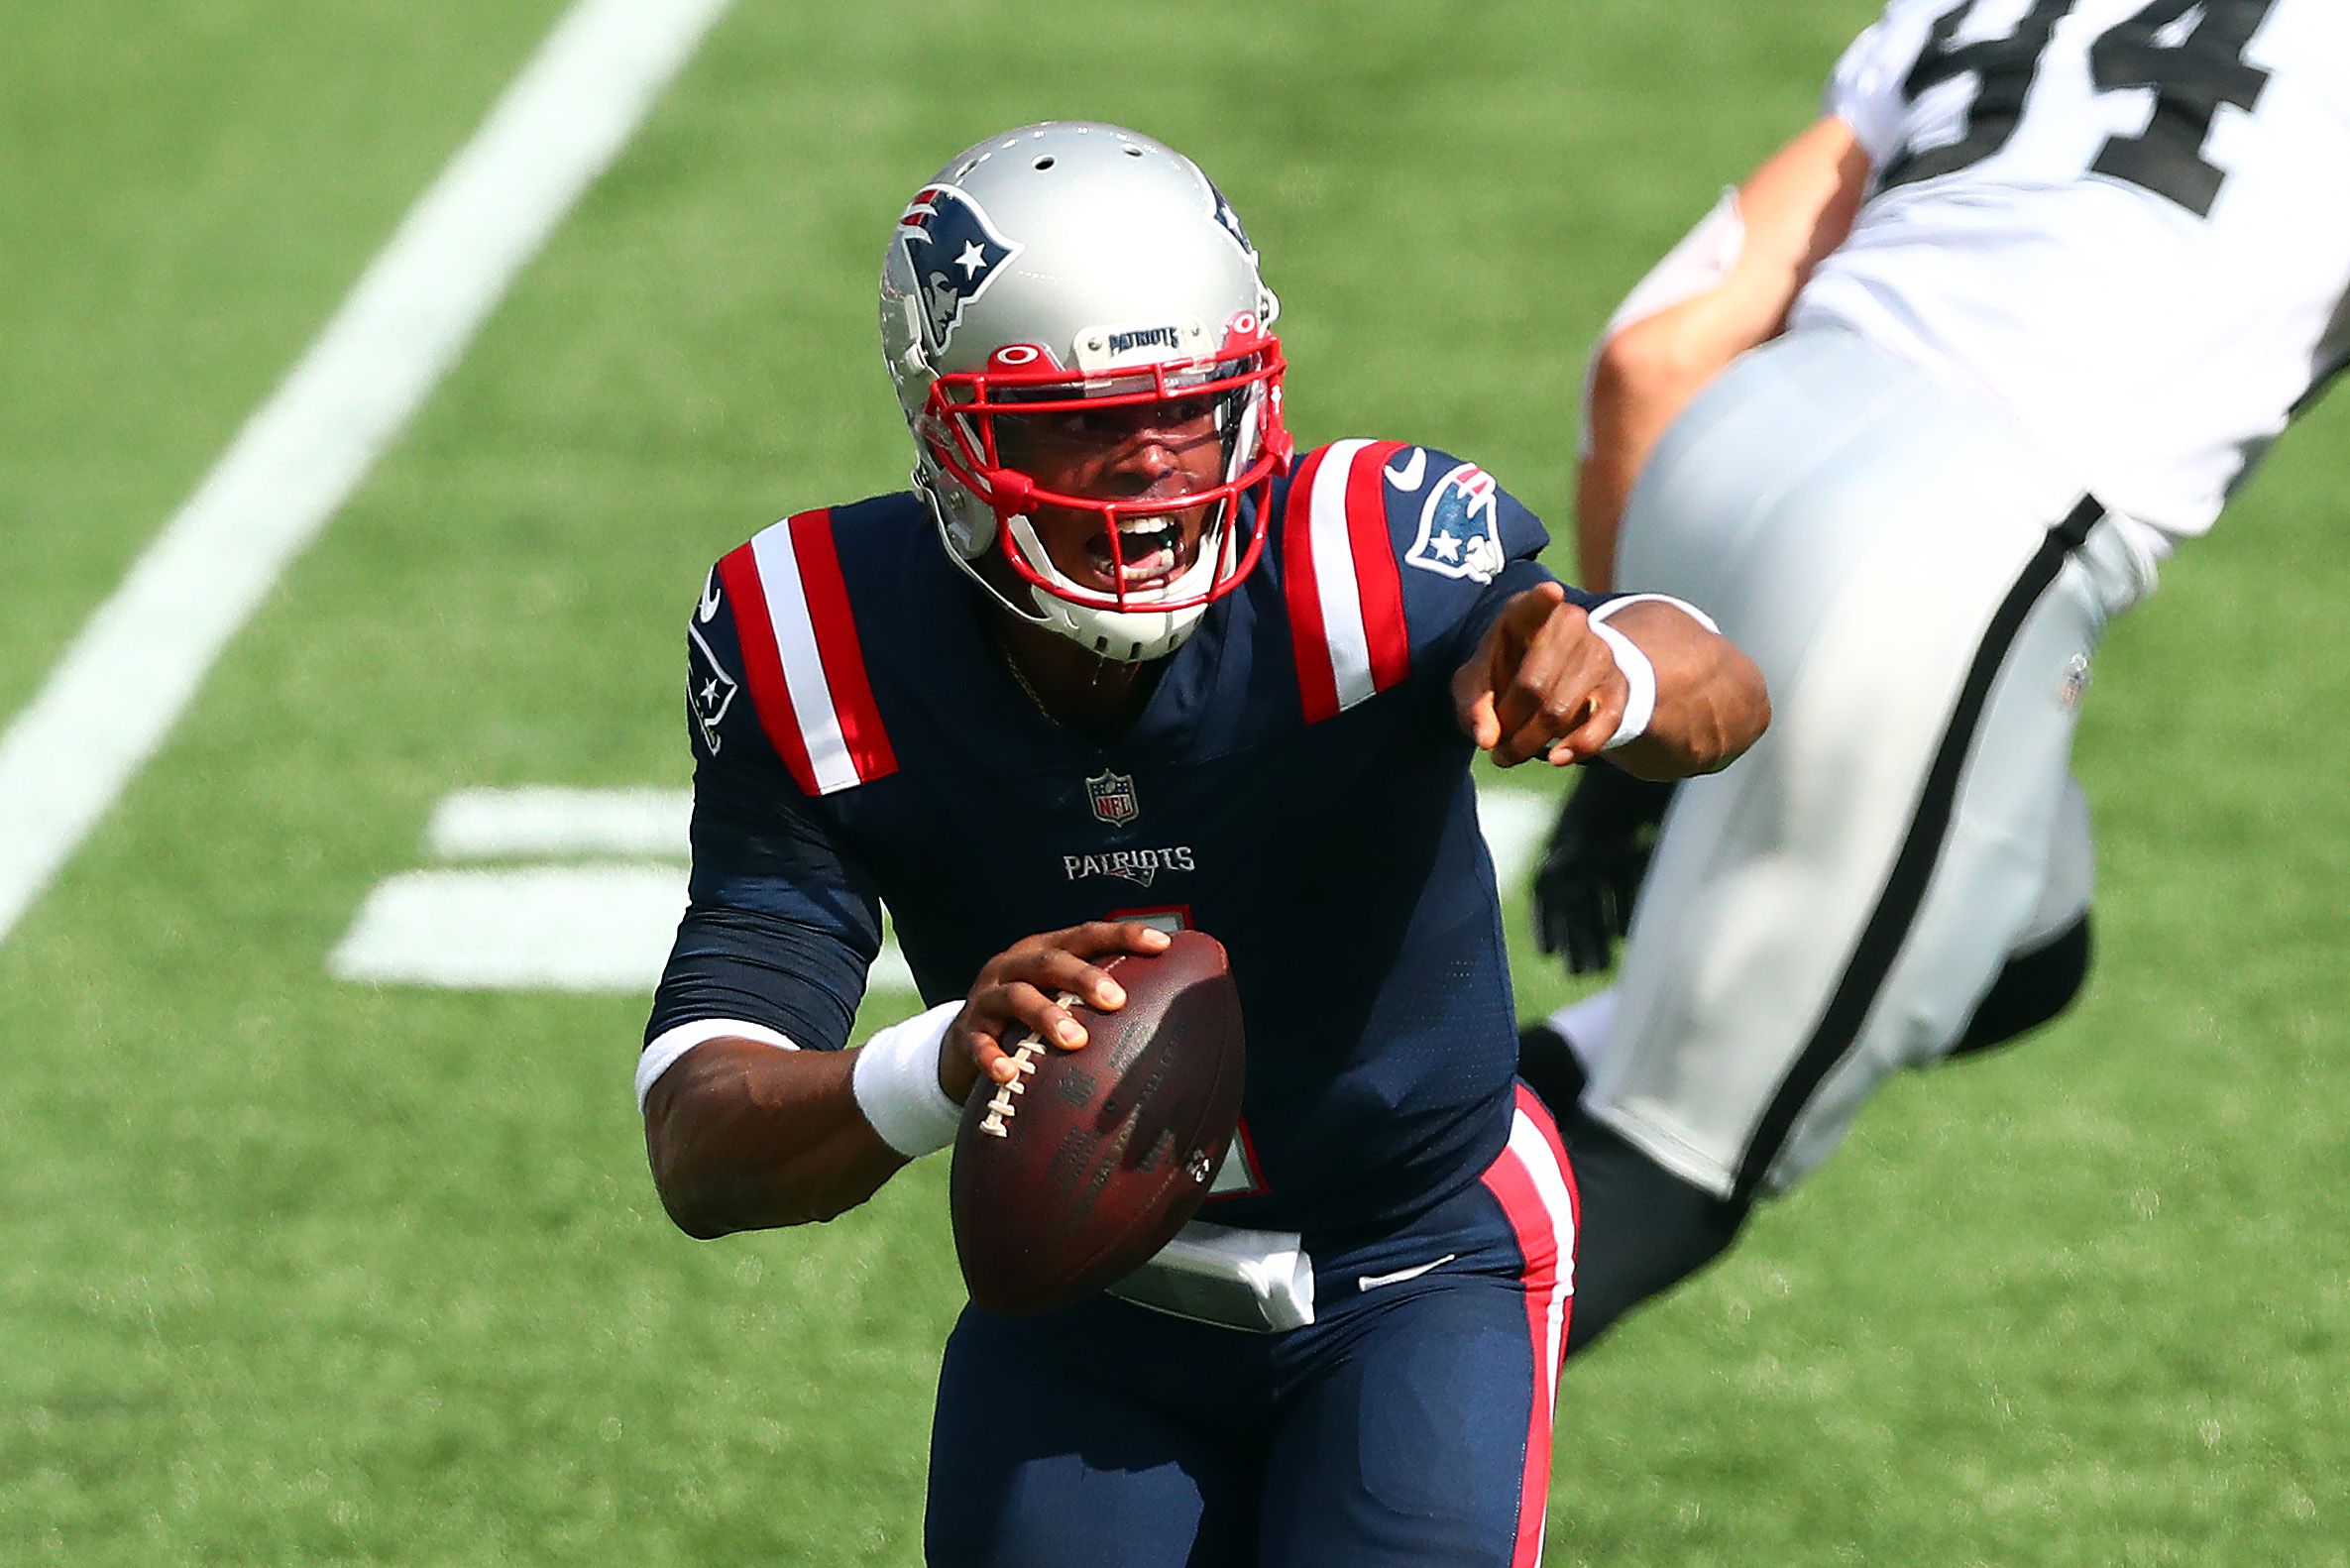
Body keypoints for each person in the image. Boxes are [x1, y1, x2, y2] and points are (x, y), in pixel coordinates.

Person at [633, 121, 1767, 1566]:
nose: (1157, 465)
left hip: (1421, 1259)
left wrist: (1617, 667)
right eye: (1085, 419)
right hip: (1090, 1310)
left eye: (1192, 405)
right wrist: (941, 1058)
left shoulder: (1361, 548)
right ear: (947, 428)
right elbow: (700, 1138)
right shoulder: (815, 633)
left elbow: (1722, 676)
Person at [1520, 0, 2350, 1354]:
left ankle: (1344, 1165)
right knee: (1670, 1165)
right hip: (1944, 539)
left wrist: (1623, 743)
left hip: (1734, 443)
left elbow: (1650, 357)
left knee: (2022, 935)